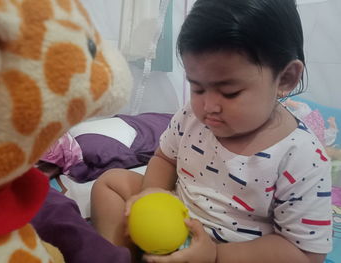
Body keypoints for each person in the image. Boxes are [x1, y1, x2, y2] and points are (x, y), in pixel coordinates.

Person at [90, 0, 333, 262]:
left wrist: (215, 255)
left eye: (230, 92)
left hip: (233, 250)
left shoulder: (301, 157)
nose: (207, 106)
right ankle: (120, 256)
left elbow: (305, 253)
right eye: (197, 88)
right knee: (111, 182)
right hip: (177, 214)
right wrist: (152, 193)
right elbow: (164, 157)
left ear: (285, 79)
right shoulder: (191, 116)